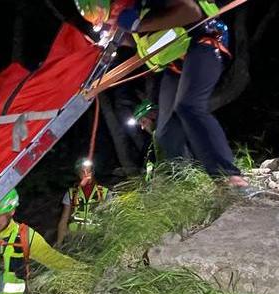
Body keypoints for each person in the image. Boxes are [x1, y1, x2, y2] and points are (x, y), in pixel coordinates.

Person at [76, 0, 252, 190]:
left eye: (105, 15)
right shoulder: (136, 12)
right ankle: (184, 187)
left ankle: (230, 178)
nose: (108, 20)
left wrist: (138, 25)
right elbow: (146, 40)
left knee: (189, 106)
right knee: (165, 132)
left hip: (204, 41)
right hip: (176, 65)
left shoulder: (143, 6)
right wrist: (118, 35)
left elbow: (191, 11)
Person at [56, 160, 112, 246]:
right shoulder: (71, 194)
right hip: (74, 237)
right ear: (78, 174)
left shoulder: (105, 193)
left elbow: (110, 220)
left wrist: (108, 242)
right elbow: (63, 221)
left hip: (96, 238)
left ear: (93, 172)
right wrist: (59, 244)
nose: (86, 174)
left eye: (88, 171)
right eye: (82, 172)